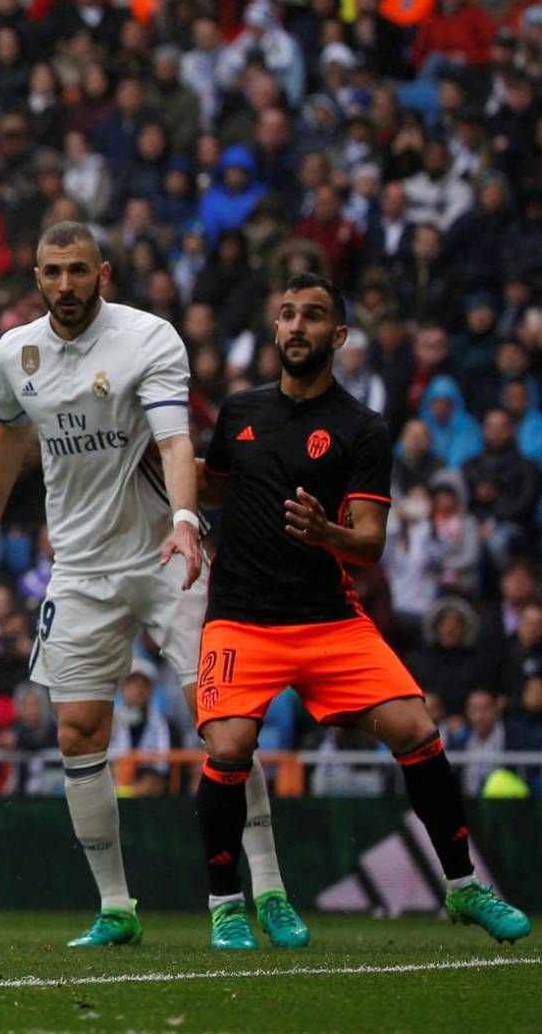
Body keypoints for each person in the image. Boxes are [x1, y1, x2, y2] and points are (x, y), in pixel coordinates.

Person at [0, 221, 304, 948]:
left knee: (223, 723)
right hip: (81, 572)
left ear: (104, 273)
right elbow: (6, 431)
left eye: (78, 270)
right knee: (78, 732)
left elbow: (177, 439)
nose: (65, 285)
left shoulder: (149, 339)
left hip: (166, 559)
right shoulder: (12, 354)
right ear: (36, 275)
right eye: (52, 271)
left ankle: (267, 888)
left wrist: (185, 518)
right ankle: (116, 904)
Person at [194, 273, 528, 949]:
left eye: (312, 316)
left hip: (328, 619)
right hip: (241, 618)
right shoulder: (238, 411)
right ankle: (228, 903)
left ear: (338, 335)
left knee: (416, 725)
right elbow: (212, 487)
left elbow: (370, 544)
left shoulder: (362, 428)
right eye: (286, 314)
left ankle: (463, 886)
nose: (296, 326)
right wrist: (157, 458)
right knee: (228, 745)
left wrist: (327, 534)